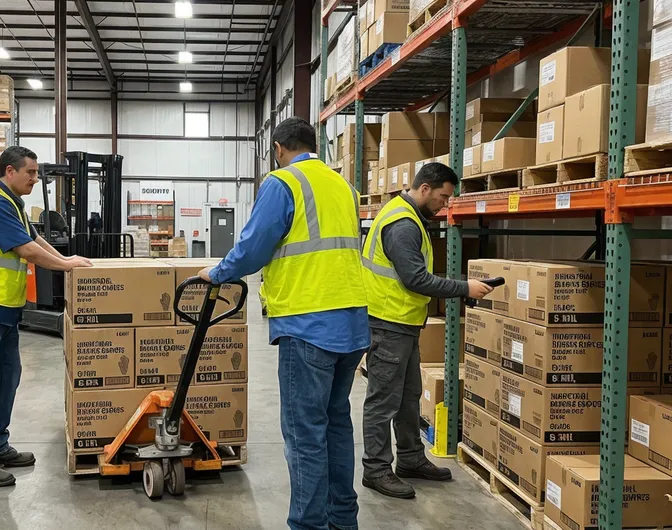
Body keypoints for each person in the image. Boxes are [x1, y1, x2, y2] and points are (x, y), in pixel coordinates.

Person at [199, 117, 368, 530]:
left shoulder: (283, 183)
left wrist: (218, 273)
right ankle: (343, 521)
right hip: (352, 321)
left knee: (305, 433)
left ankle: (308, 525)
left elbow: (254, 248)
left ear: (277, 149)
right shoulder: (343, 186)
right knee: (336, 424)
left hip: (308, 323)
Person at [0, 146, 92, 487]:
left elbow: (36, 238)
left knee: (7, 379)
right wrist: (67, 266)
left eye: (36, 172)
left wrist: (66, 257)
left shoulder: (14, 202)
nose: (35, 178)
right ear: (9, 171)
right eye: (30, 172)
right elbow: (26, 250)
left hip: (4, 310)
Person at [360, 162, 493, 499]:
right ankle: (376, 470)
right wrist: (465, 288)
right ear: (425, 189)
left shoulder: (408, 216)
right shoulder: (403, 224)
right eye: (443, 197)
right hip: (387, 324)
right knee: (383, 401)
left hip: (402, 323)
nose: (445, 204)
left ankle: (410, 459)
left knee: (408, 398)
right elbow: (415, 279)